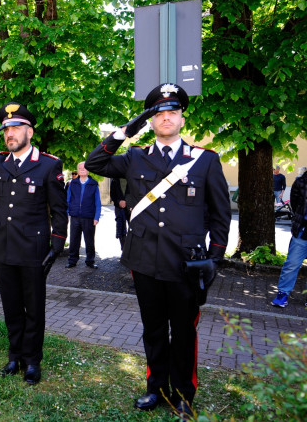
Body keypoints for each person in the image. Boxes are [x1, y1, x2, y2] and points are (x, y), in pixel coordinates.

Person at [85, 83, 231, 418]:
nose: (166, 117)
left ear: (182, 119)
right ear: (151, 122)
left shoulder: (204, 161)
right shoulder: (135, 156)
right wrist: (125, 132)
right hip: (145, 262)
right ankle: (155, 388)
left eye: (172, 112)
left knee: (183, 333)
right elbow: (95, 162)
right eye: (158, 113)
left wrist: (215, 257)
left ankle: (183, 393)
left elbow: (221, 214)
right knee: (153, 330)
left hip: (186, 265)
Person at [0, 102, 68, 385]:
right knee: (11, 307)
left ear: (29, 131)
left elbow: (59, 208)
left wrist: (57, 244)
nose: (10, 133)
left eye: (16, 127)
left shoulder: (48, 164)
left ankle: (32, 361)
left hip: (33, 249)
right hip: (2, 247)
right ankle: (14, 356)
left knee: (34, 308)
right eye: (6, 129)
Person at [272, 166, 307, 308]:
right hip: (302, 231)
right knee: (292, 264)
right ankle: (282, 294)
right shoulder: (301, 182)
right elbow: (295, 203)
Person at [65, 162, 101, 269]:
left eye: (84, 168)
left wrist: (96, 217)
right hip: (75, 216)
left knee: (89, 240)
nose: (82, 170)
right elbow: (68, 199)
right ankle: (72, 261)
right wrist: (67, 213)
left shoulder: (93, 184)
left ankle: (90, 261)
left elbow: (97, 202)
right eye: (80, 168)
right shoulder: (73, 183)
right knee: (74, 239)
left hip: (88, 216)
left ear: (88, 170)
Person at [110, 177, 130, 250]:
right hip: (119, 207)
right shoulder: (115, 180)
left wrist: (128, 203)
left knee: (133, 228)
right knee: (121, 229)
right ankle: (123, 249)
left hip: (131, 207)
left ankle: (132, 251)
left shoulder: (131, 177)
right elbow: (112, 194)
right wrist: (119, 201)